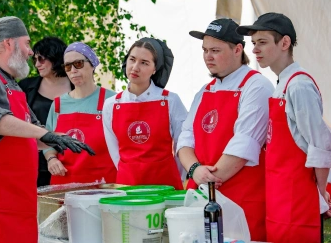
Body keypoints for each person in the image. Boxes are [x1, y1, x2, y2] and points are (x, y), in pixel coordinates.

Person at [0, 16, 94, 243]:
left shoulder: (11, 83)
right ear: (8, 43)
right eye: (26, 43)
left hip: (14, 200)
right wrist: (45, 134)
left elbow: (32, 129)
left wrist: (60, 140)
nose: (31, 52)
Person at [237, 12, 331, 243]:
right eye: (253, 43)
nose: (255, 49)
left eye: (262, 42)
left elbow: (320, 144)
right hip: (280, 196)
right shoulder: (282, 84)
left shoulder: (299, 85)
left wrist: (321, 193)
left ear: (284, 43)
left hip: (299, 199)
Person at [177, 18, 273, 241]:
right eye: (205, 50)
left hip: (241, 200)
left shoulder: (256, 86)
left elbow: (243, 146)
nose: (207, 56)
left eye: (215, 50)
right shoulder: (204, 91)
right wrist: (194, 170)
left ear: (238, 49)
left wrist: (207, 179)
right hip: (203, 195)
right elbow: (184, 140)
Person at [103, 37, 187, 190]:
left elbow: (183, 145)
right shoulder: (111, 105)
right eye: (132, 59)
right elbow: (115, 153)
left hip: (165, 185)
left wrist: (178, 178)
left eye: (144, 63)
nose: (135, 67)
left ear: (155, 69)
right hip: (127, 186)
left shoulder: (170, 100)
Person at [43, 42, 117, 184]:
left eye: (78, 64)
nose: (73, 70)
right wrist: (51, 159)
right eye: (68, 66)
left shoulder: (112, 101)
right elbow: (47, 142)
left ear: (92, 65)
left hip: (102, 184)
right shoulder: (58, 104)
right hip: (64, 185)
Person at [18, 37, 73, 187]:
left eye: (41, 59)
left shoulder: (78, 86)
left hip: (69, 162)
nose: (37, 64)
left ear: (55, 57)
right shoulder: (25, 87)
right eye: (35, 59)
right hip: (32, 163)